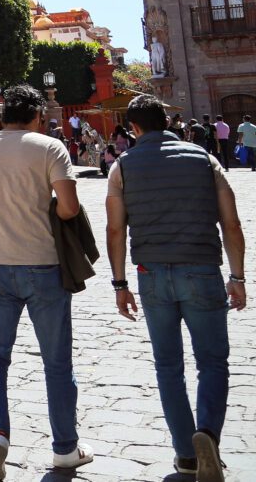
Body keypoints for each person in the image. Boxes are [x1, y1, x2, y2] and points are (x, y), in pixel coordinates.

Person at [106, 93, 245, 480]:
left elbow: (116, 229)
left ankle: (186, 454)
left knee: (168, 366)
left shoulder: (123, 167)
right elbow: (231, 224)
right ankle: (208, 435)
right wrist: (237, 277)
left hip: (151, 273)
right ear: (166, 122)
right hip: (201, 269)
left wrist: (120, 283)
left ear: (132, 129)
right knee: (213, 361)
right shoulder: (205, 160)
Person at [0, 83, 90, 478]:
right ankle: (65, 448)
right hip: (44, 265)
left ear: (3, 110)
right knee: (56, 359)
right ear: (36, 115)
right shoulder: (49, 148)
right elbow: (68, 208)